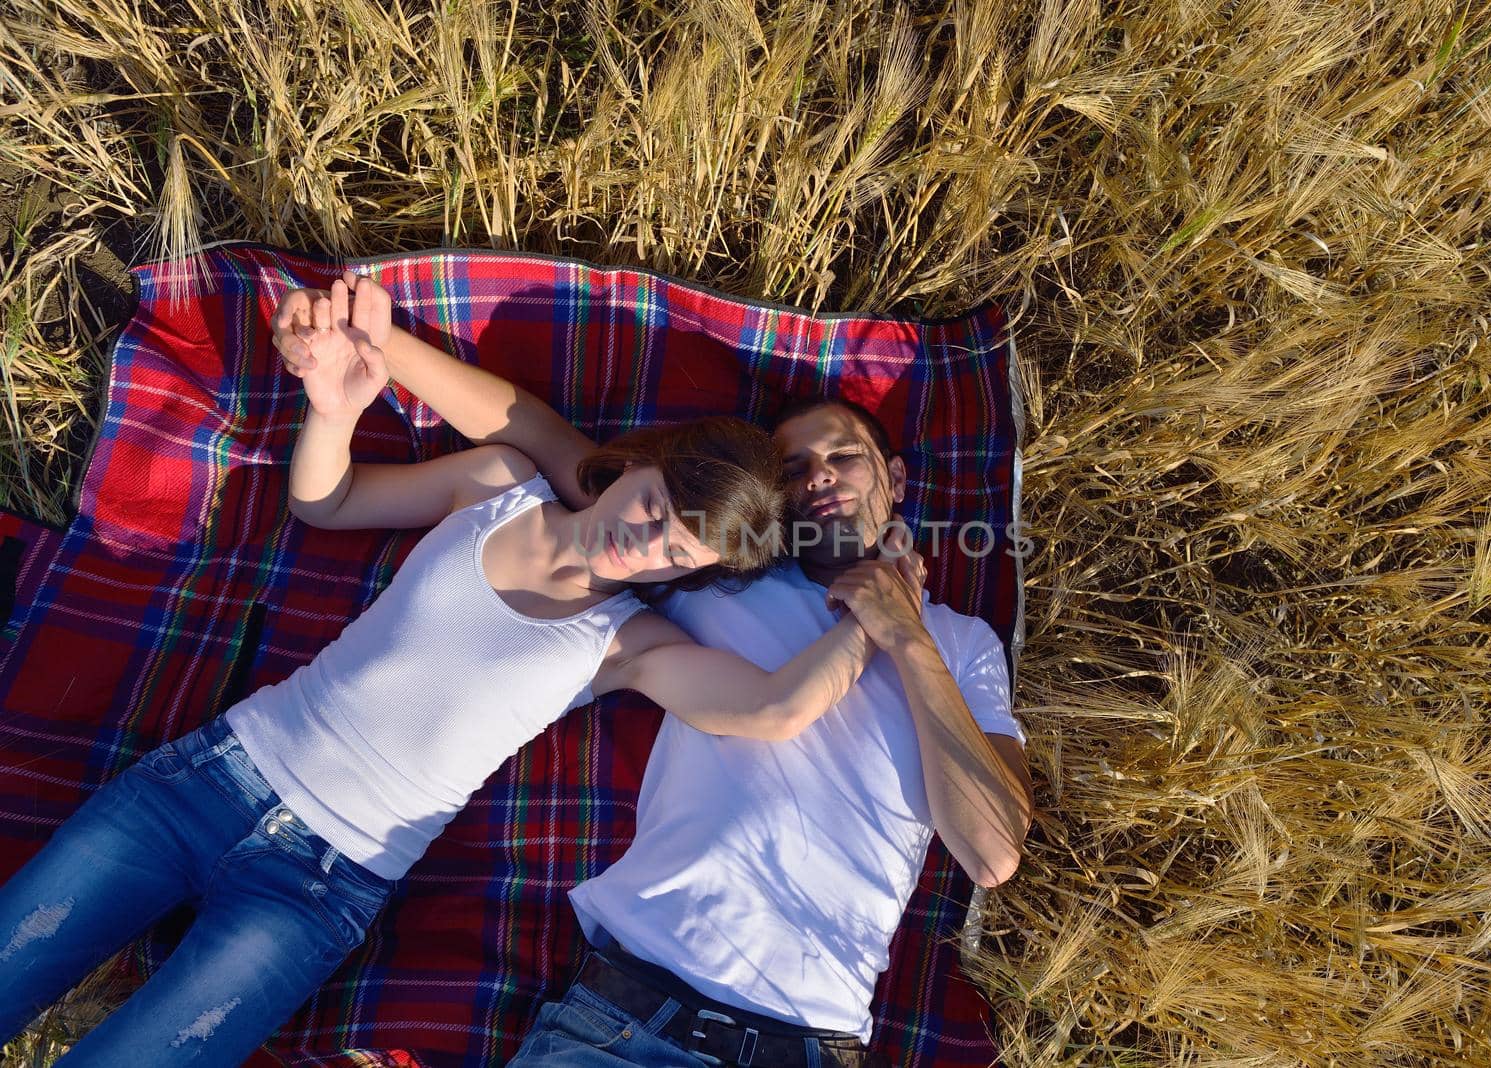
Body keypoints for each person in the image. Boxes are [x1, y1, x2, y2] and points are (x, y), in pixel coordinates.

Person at [0, 278, 901, 1067]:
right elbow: (331, 502)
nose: (648, 539)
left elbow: (775, 708)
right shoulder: (503, 485)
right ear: (635, 463)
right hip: (209, 778)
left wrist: (876, 614)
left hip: (319, 886)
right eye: (657, 503)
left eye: (679, 549)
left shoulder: (628, 645)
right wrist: (337, 399)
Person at [273, 273, 1032, 1068]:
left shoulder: (963, 645)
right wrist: (375, 342)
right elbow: (540, 437)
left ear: (898, 481)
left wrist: (905, 635)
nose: (818, 475)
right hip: (626, 1017)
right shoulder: (712, 572)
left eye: (845, 455)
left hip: (805, 1040)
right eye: (794, 466)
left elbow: (990, 853)